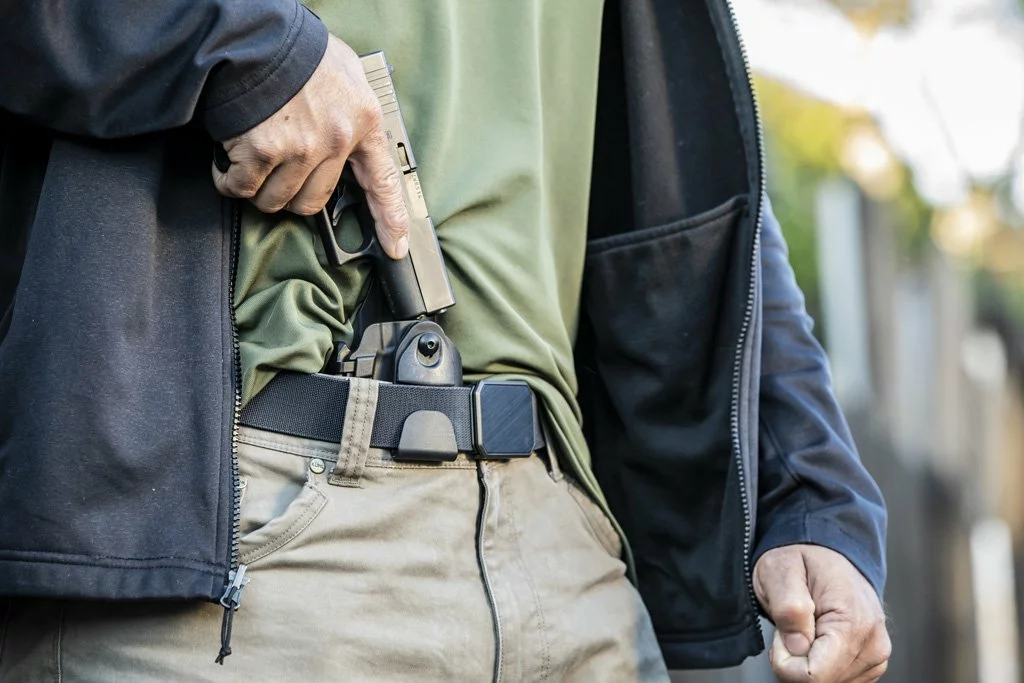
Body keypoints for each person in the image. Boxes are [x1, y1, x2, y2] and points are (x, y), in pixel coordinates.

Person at [0, 0, 891, 681]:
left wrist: (804, 489)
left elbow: (695, 190)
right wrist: (226, 34)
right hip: (246, 539)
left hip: (569, 555)